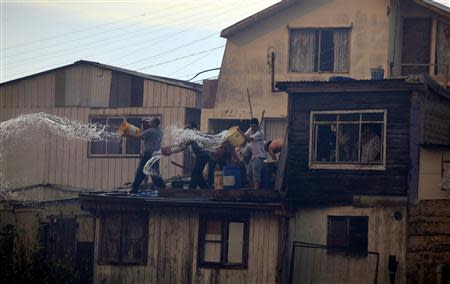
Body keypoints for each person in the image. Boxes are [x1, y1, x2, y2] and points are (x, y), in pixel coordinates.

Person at [161, 121, 210, 189]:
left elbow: (182, 145)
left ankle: (191, 189)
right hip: (202, 156)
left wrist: (170, 148)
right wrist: (171, 150)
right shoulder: (195, 133)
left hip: (202, 156)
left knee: (195, 174)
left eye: (187, 127)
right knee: (197, 174)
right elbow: (182, 146)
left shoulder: (193, 133)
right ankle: (205, 189)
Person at [126, 117, 165, 194]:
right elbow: (147, 139)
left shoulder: (150, 131)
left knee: (141, 172)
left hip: (148, 155)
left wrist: (126, 134)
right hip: (156, 155)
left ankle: (134, 190)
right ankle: (163, 189)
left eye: (150, 122)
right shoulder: (160, 131)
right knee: (154, 173)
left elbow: (138, 137)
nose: (148, 123)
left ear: (154, 124)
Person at [243, 118, 266, 190]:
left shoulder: (260, 132)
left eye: (253, 126)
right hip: (254, 156)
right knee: (248, 173)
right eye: (251, 126)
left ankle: (256, 190)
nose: (252, 128)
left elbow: (249, 139)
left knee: (256, 174)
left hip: (259, 157)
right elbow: (244, 136)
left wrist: (239, 131)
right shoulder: (251, 129)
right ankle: (252, 189)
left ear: (257, 126)